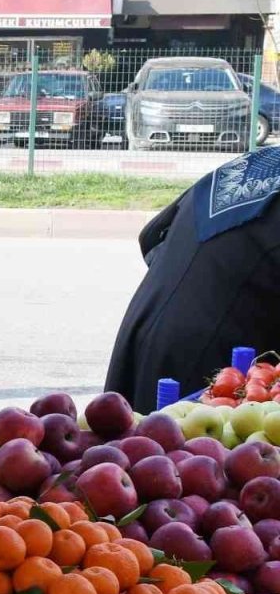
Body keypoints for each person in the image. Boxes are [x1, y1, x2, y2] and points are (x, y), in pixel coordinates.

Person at [106, 148, 280, 413]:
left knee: (130, 430)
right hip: (212, 363)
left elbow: (151, 236)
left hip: (145, 321)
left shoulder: (263, 161)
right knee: (173, 432)